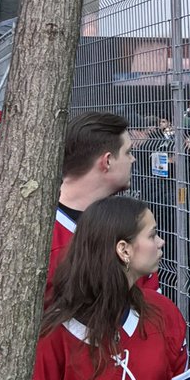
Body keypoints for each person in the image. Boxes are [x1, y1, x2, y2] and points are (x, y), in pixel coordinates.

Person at [22, 196, 190, 380]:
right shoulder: (52, 340)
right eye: (152, 235)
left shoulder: (163, 313)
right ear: (123, 250)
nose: (161, 242)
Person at [49, 111, 141, 293]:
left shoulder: (130, 226)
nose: (133, 159)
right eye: (128, 152)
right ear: (107, 161)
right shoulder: (44, 238)